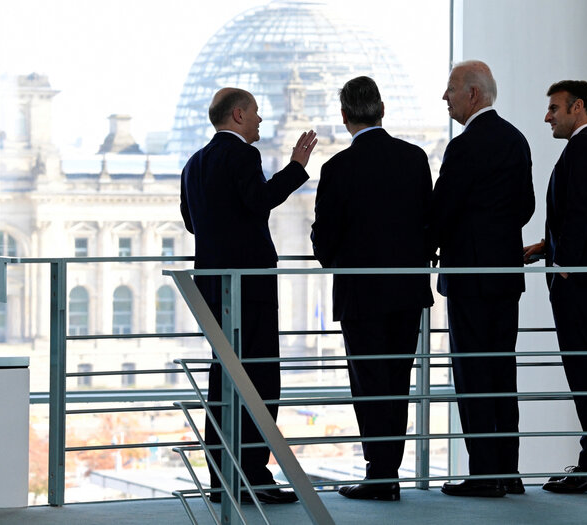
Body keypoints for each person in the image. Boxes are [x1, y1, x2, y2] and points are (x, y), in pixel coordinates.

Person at [180, 87, 318, 504]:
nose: (261, 120)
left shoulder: (193, 162)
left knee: (223, 379)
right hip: (249, 286)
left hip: (212, 285)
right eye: (256, 112)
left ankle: (223, 478)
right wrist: (296, 167)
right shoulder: (242, 155)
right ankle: (254, 476)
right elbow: (259, 200)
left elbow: (191, 222)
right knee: (259, 380)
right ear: (238, 115)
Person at [311, 76, 433, 501]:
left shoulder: (336, 169)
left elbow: (323, 241)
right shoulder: (415, 159)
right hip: (408, 293)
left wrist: (341, 262)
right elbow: (429, 225)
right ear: (382, 109)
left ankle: (379, 474)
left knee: (368, 384)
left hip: (360, 297)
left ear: (344, 117)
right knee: (398, 381)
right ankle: (389, 473)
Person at [430, 61, 535, 498]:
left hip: (469, 278)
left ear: (473, 94)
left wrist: (432, 242)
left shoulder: (465, 145)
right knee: (501, 371)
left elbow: (441, 211)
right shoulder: (516, 139)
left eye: (451, 89)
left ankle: (483, 474)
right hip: (505, 275)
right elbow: (526, 206)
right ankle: (508, 471)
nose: (445, 97)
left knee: (472, 374)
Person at [524, 80, 587, 494]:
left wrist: (563, 266)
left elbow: (581, 212)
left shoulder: (584, 148)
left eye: (554, 108)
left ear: (577, 107)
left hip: (581, 284)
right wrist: (547, 247)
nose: (547, 116)